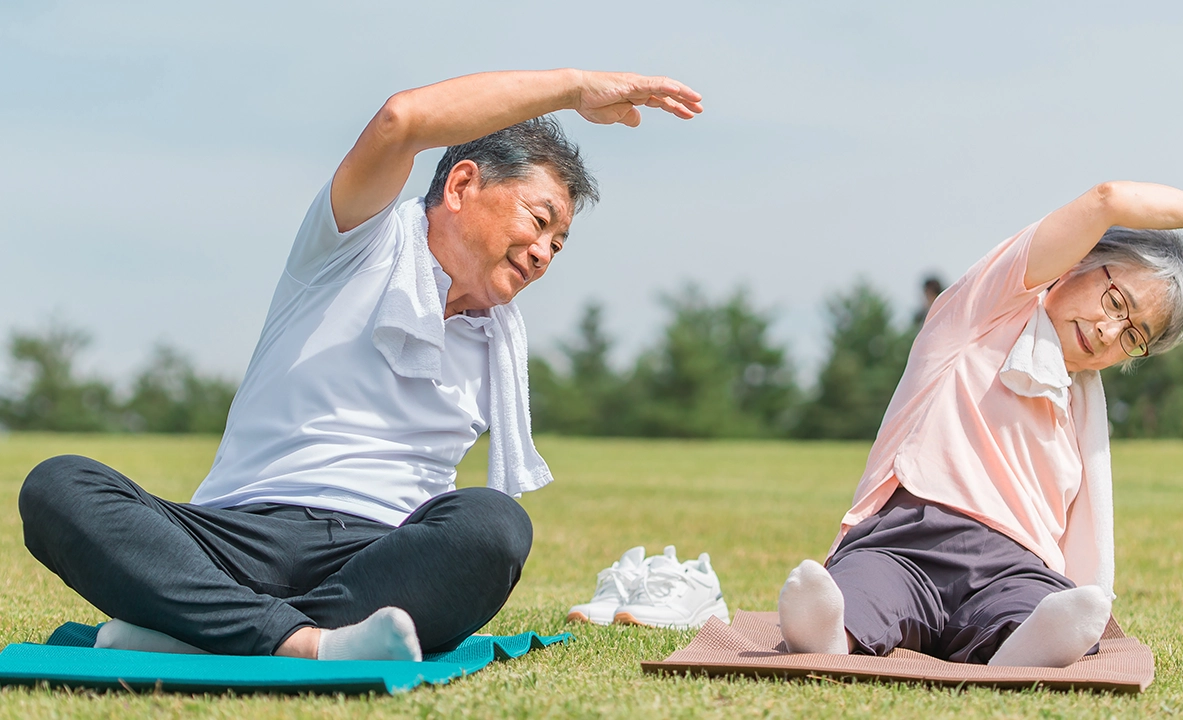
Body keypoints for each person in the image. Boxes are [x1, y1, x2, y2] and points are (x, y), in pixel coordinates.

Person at [18, 69, 703, 661]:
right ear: (462, 184)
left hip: (374, 562)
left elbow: (467, 538)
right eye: (539, 219)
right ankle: (302, 642)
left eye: (560, 243)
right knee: (59, 488)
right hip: (231, 537)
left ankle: (197, 626)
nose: (544, 253)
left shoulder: (497, 341)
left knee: (495, 527)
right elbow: (402, 119)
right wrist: (576, 89)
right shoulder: (354, 243)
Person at [777, 181, 1183, 667]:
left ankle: (1024, 648)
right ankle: (828, 628)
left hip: (1013, 567)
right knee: (865, 589)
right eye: (1115, 301)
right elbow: (1107, 200)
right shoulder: (987, 311)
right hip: (908, 539)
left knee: (1040, 611)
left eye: (1133, 336)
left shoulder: (1077, 402)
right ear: (1079, 262)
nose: (1108, 332)